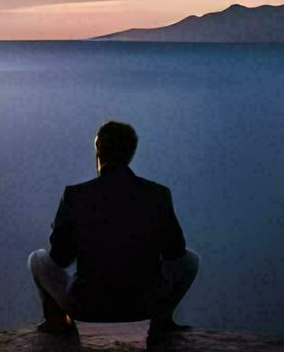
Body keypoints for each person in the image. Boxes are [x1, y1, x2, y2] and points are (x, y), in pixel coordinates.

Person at [28, 121, 199, 340]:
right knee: (192, 260)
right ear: (131, 153)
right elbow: (175, 252)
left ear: (98, 148)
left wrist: (61, 231)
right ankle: (162, 320)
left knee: (37, 259)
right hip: (145, 306)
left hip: (88, 308)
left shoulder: (74, 196)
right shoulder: (158, 195)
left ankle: (58, 321)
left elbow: (61, 258)